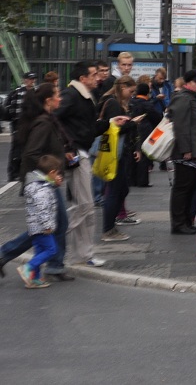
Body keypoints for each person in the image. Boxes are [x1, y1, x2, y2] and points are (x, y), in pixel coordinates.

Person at [55, 60, 128, 267]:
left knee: (85, 207)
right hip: (76, 154)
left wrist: (111, 123)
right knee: (85, 205)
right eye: (94, 74)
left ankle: (83, 255)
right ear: (82, 78)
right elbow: (52, 119)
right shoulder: (71, 95)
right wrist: (67, 147)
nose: (99, 77)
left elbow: (87, 129)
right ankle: (49, 231)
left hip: (80, 152)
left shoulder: (86, 97)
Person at [0, 85, 74, 282]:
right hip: (42, 182)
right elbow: (32, 154)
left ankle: (50, 264)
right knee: (51, 225)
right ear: (48, 100)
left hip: (42, 180)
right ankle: (54, 265)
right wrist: (49, 175)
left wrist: (62, 156)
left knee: (47, 226)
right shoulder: (43, 123)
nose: (60, 99)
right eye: (57, 95)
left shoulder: (47, 120)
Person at [98, 76, 139, 242]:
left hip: (119, 152)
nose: (131, 95)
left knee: (121, 189)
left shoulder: (114, 102)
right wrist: (133, 123)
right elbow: (116, 128)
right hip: (115, 153)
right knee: (114, 191)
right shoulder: (113, 103)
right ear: (122, 88)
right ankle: (108, 229)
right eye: (130, 91)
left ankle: (111, 225)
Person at [17, 155, 65, 289]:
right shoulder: (42, 190)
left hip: (34, 226)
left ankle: (35, 278)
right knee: (51, 250)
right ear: (51, 173)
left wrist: (53, 183)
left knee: (39, 251)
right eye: (57, 173)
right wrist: (48, 226)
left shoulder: (37, 184)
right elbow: (43, 209)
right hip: (43, 227)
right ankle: (28, 268)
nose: (58, 176)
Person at [168, 70, 196, 235]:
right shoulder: (183, 98)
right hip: (186, 154)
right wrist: (186, 149)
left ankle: (186, 221)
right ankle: (179, 223)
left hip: (194, 152)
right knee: (183, 188)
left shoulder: (193, 97)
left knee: (190, 188)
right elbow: (180, 126)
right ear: (188, 83)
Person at [4, 71, 38, 182]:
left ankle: (23, 172)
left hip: (30, 125)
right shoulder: (17, 92)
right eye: (30, 79)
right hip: (18, 124)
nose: (32, 81)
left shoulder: (35, 92)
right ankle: (15, 172)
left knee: (27, 149)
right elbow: (12, 109)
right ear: (25, 80)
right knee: (17, 150)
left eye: (33, 79)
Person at [130, 82, 161, 188]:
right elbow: (156, 117)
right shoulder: (147, 104)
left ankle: (132, 180)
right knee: (144, 155)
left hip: (132, 130)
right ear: (148, 92)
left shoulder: (132, 102)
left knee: (134, 153)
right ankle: (142, 180)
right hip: (145, 130)